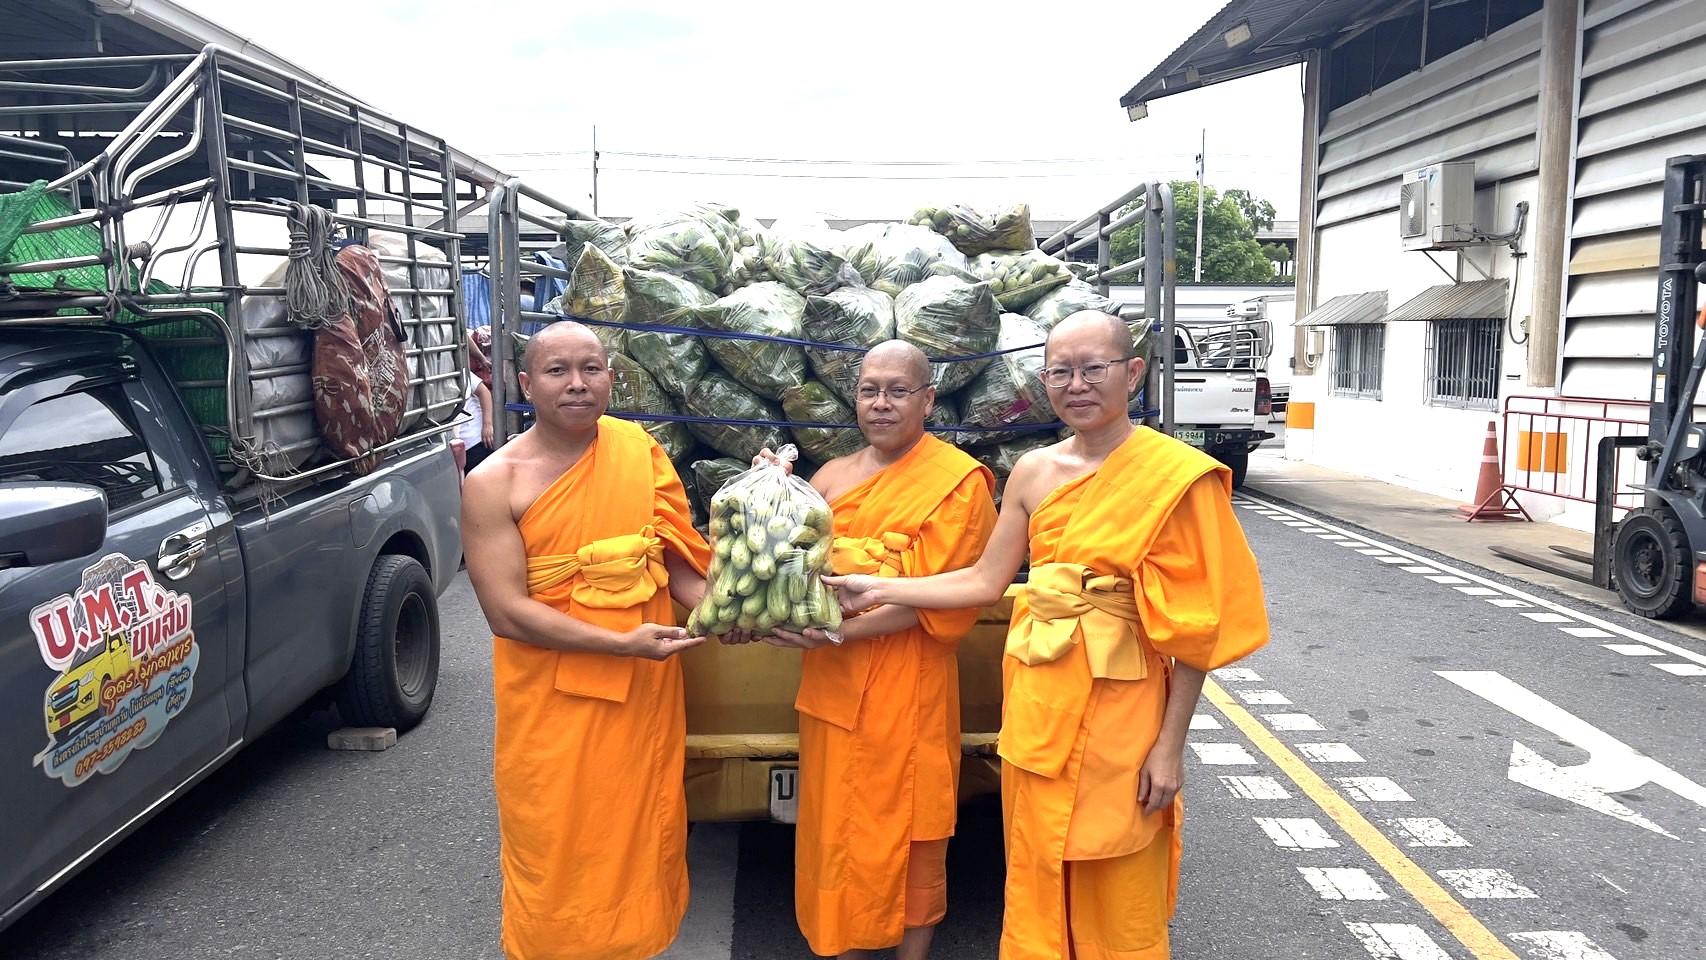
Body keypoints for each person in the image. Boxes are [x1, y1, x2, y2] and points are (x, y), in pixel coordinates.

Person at [827, 311, 1270, 960]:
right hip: (1037, 705)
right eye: (1060, 372)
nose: (1077, 385)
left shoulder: (1175, 477)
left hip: (1125, 712)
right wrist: (883, 588)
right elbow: (982, 581)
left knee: (1117, 872)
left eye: (1094, 369)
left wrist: (1169, 749)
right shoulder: (1033, 472)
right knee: (1035, 870)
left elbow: (1195, 635)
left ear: (1133, 373)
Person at [461, 320, 715, 960]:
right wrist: (622, 644)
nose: (577, 384)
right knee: (556, 844)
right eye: (557, 371)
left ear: (610, 377)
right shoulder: (494, 482)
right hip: (551, 704)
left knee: (636, 837)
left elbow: (678, 566)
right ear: (524, 385)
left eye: (591, 369)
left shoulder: (637, 451)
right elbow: (507, 614)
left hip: (640, 696)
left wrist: (734, 613)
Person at [762, 341, 998, 960]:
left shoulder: (959, 482)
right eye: (870, 390)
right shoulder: (831, 476)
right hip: (834, 684)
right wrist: (772, 494)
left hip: (908, 686)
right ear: (855, 399)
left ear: (927, 399)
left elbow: (941, 593)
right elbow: (793, 568)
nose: (882, 403)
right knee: (834, 827)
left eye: (898, 390)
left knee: (913, 829)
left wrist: (839, 628)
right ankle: (839, 944)